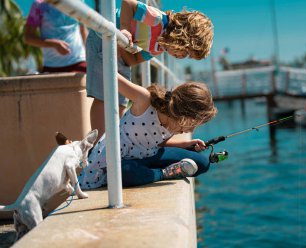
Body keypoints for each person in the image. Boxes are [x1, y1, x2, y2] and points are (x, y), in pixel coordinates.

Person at [86, 0, 214, 140]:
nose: (182, 57)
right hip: (102, 38)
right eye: (186, 51)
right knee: (102, 97)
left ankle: (115, 142)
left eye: (188, 56)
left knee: (121, 100)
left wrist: (120, 47)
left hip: (120, 52)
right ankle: (97, 143)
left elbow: (132, 60)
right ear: (181, 36)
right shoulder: (157, 19)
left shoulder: (158, 48)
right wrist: (124, 30)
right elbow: (128, 3)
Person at [78, 74, 217, 189]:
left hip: (150, 154)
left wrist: (184, 144)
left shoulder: (174, 122)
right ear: (183, 112)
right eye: (192, 124)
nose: (192, 129)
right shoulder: (144, 101)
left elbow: (155, 139)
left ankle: (152, 172)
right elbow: (109, 74)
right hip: (123, 159)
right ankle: (162, 174)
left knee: (202, 163)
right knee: (125, 172)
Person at [24, 0, 87, 73]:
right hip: (51, 66)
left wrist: (92, 57)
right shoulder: (39, 4)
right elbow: (28, 37)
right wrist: (54, 44)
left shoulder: (78, 1)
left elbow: (83, 30)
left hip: (79, 61)